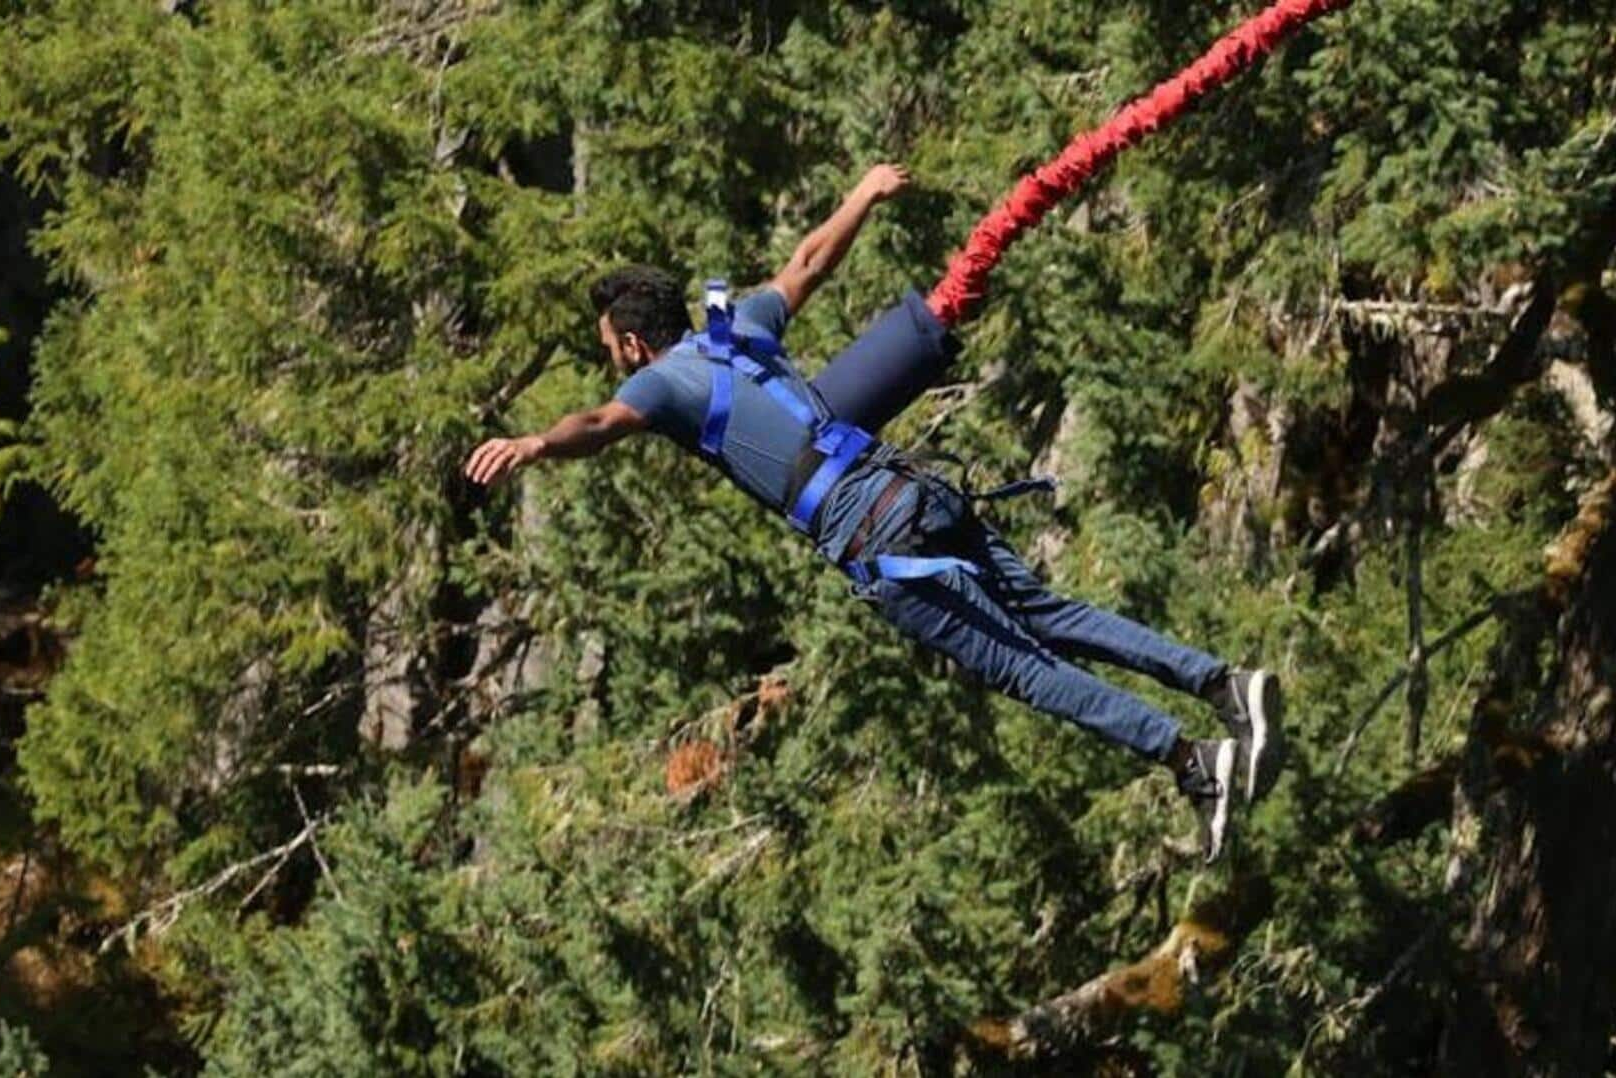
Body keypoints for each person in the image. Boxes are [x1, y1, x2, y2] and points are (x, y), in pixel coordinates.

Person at [463, 164, 1286, 862]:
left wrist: (537, 442)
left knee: (1022, 666)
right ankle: (1222, 684)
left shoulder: (660, 382)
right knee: (1047, 613)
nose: (615, 367)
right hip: (912, 488)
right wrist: (862, 194)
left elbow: (602, 424)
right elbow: (808, 263)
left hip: (869, 532)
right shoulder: (736, 329)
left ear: (634, 347)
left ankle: (1193, 761)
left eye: (611, 352)